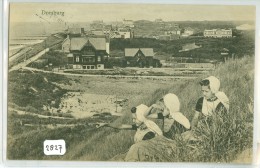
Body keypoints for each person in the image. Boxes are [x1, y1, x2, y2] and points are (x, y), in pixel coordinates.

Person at [97, 104, 163, 143]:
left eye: (135, 119)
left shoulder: (149, 133)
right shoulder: (140, 127)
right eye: (133, 118)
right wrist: (106, 124)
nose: (133, 121)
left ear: (141, 118)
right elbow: (121, 126)